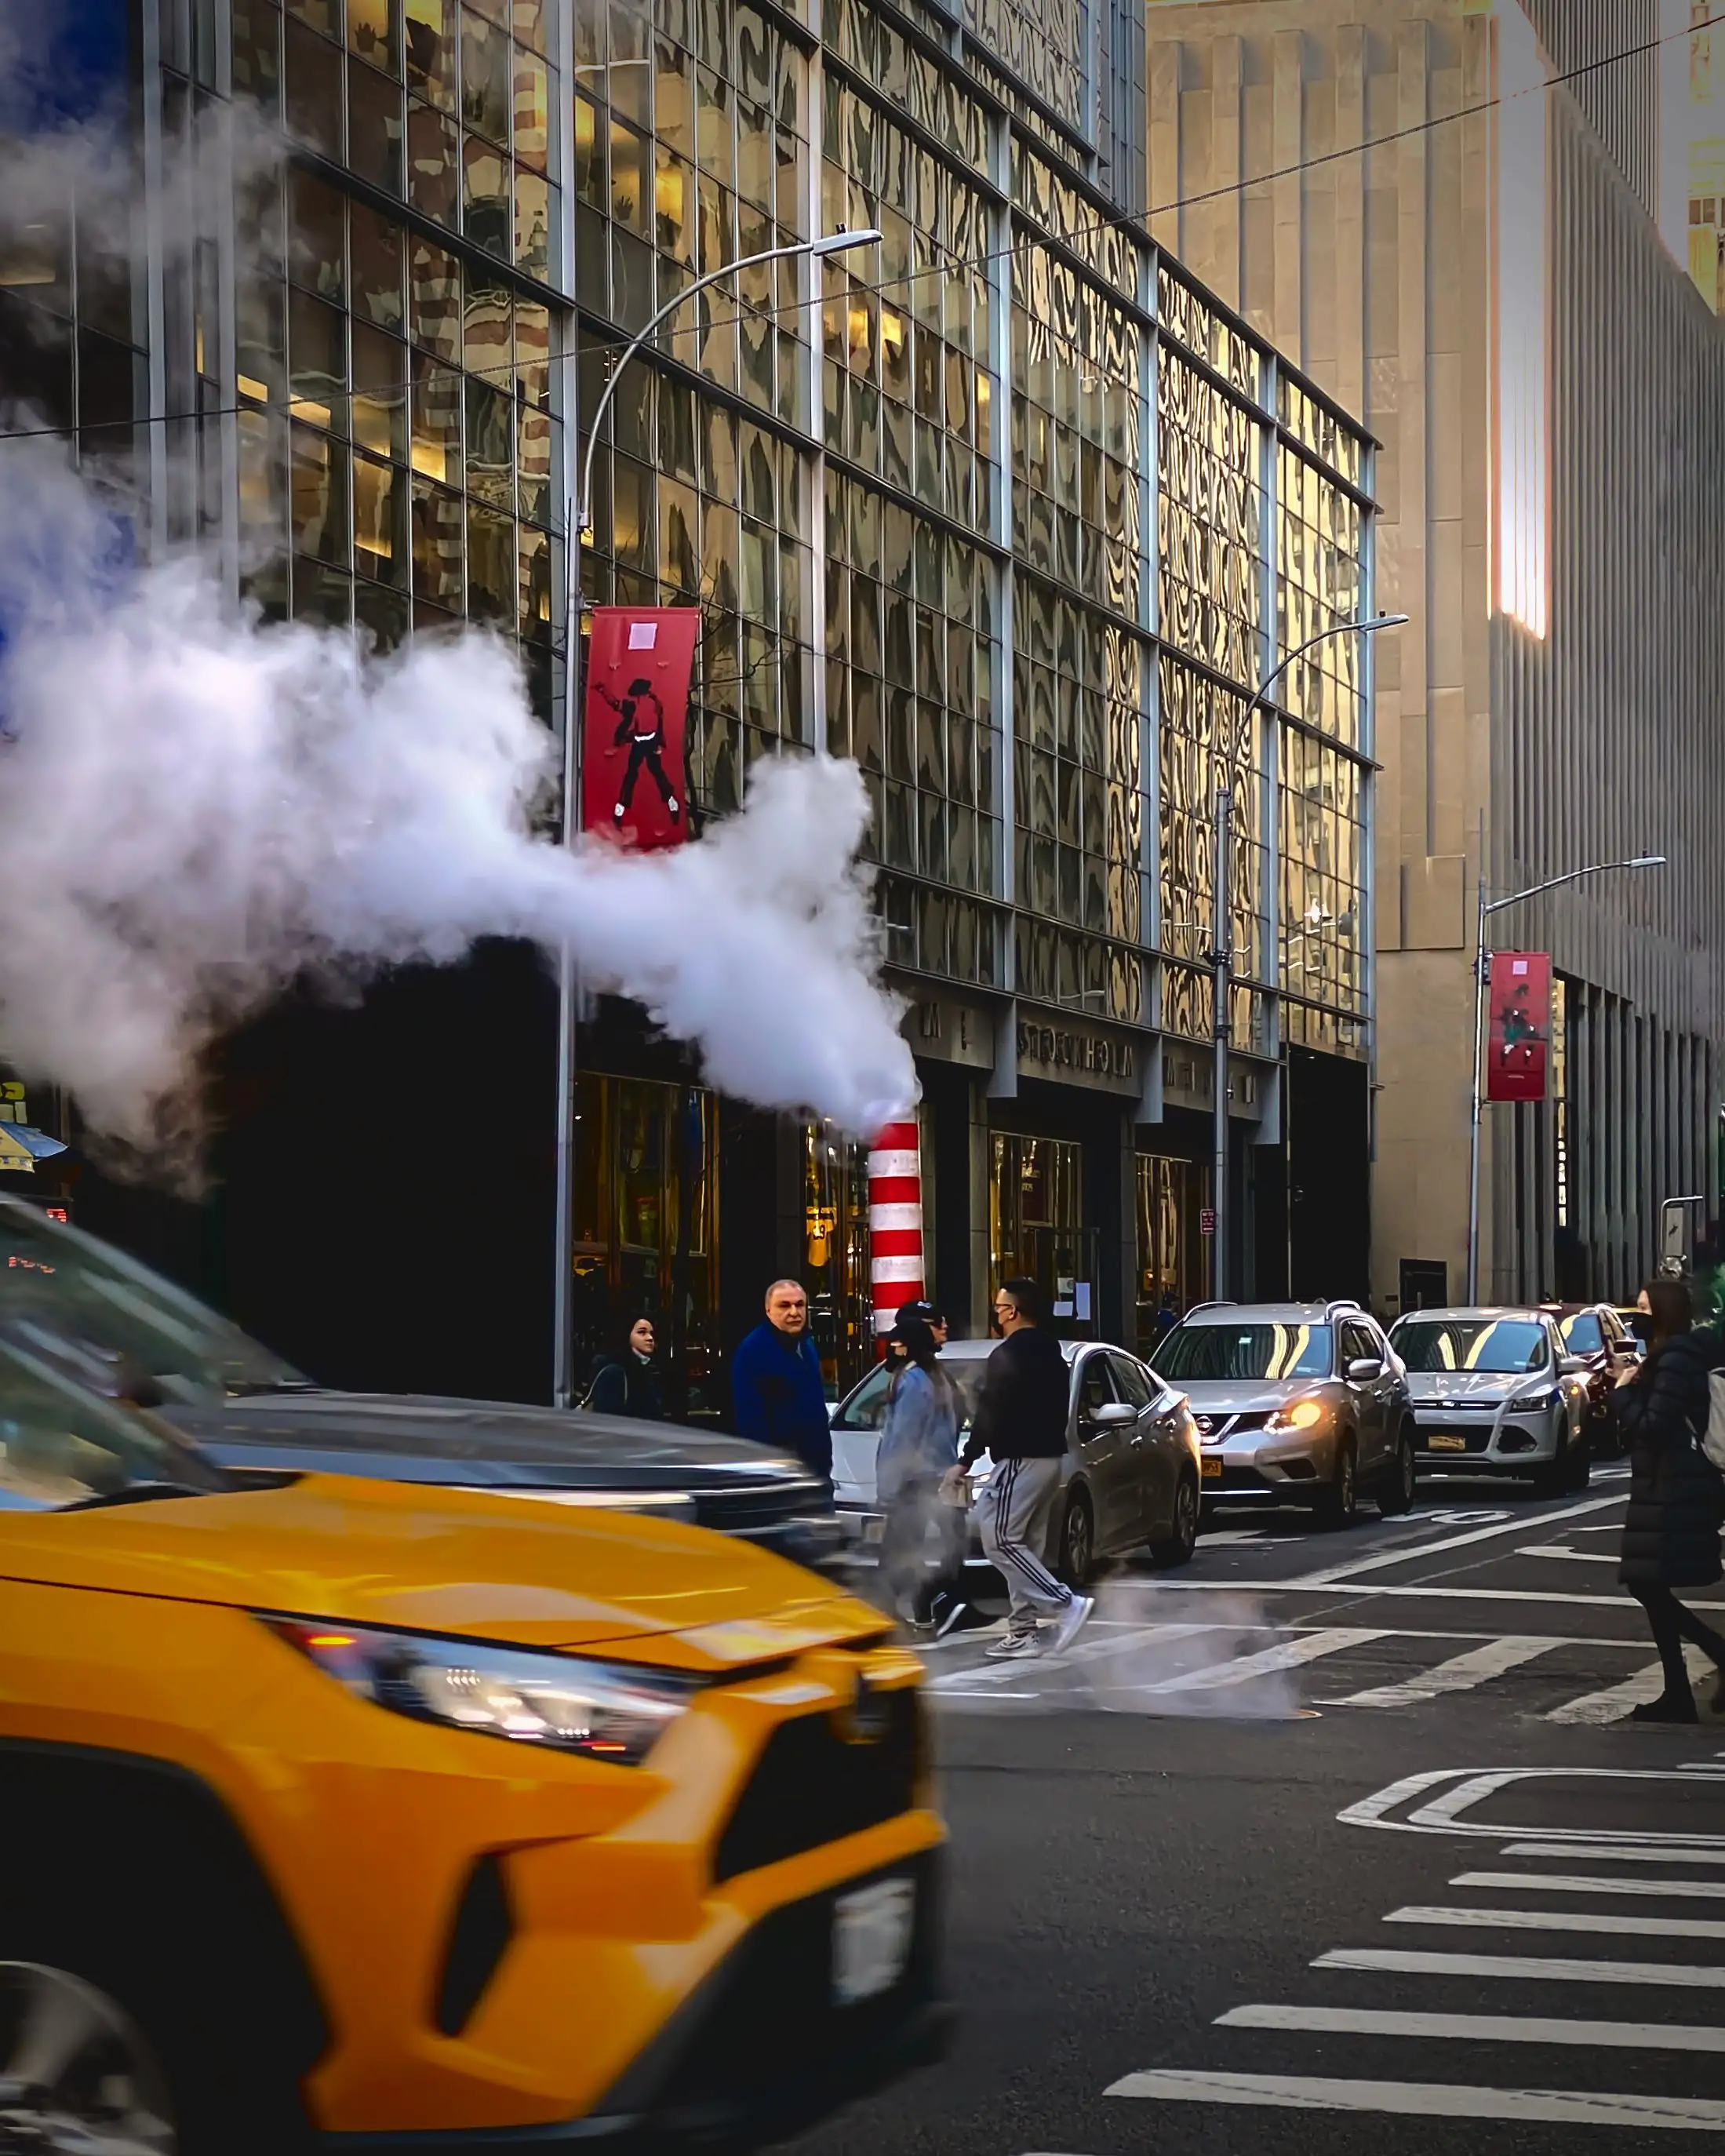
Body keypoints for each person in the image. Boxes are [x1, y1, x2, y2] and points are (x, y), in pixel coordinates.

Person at [942, 1277, 1094, 1661]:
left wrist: (965, 1460)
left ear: (1011, 1311)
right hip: (1050, 1459)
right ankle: (1023, 1631)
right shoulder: (1055, 1354)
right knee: (1024, 1545)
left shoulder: (1008, 1355)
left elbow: (992, 1411)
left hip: (1019, 1460)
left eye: (998, 1307)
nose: (995, 1313)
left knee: (1000, 1539)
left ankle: (1065, 1603)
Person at [1612, 1277, 1725, 1723]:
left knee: (1645, 1581)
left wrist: (1623, 1392)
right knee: (1647, 1581)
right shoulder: (1673, 1357)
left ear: (1663, 1312)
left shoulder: (1677, 1358)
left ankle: (1713, 1655)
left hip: (1676, 1487)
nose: (1637, 1317)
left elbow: (1655, 1426)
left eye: (1644, 1309)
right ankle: (1677, 1691)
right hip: (1668, 1486)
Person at [876, 1310, 966, 1633]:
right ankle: (926, 1609)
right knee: (947, 1549)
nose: (891, 1347)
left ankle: (900, 1612)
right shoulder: (935, 1376)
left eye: (896, 1342)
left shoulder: (913, 1380)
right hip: (940, 1476)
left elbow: (902, 1439)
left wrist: (887, 1489)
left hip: (916, 1481)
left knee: (900, 1554)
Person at [731, 1279, 832, 1481]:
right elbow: (750, 1420)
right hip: (781, 1472)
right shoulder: (753, 1351)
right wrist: (771, 1469)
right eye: (784, 1306)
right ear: (768, 1310)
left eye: (800, 1305)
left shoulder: (806, 1343)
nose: (794, 1312)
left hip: (816, 1467)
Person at [586, 1314, 664, 1422]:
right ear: (628, 1334)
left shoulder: (652, 1369)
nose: (650, 1338)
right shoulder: (614, 1372)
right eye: (642, 1332)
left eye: (652, 1334)